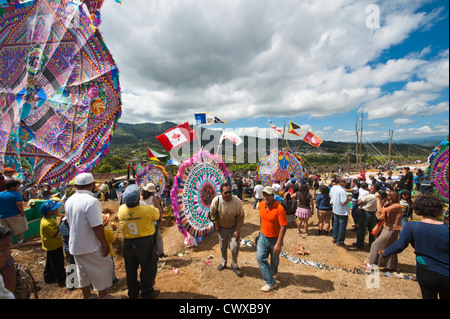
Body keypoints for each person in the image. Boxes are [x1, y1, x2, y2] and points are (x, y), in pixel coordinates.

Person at [379, 194, 449, 299]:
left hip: (426, 270)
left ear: (418, 209)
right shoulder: (445, 228)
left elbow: (400, 245)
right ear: (438, 210)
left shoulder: (412, 226)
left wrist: (385, 252)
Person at [64, 173, 114, 299]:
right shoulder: (91, 202)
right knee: (102, 270)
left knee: (82, 273)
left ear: (75, 185)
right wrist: (104, 244)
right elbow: (97, 226)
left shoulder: (69, 200)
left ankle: (87, 296)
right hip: (91, 245)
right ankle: (102, 295)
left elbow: (69, 222)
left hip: (75, 245)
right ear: (92, 185)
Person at [118, 184, 160, 299]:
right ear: (138, 198)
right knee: (147, 268)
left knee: (130, 269)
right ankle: (147, 292)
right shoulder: (148, 209)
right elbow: (157, 216)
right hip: (145, 242)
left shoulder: (121, 210)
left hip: (128, 243)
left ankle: (133, 293)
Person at [210, 183, 245, 277]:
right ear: (221, 193)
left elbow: (241, 217)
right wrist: (216, 224)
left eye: (230, 192)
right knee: (223, 246)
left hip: (234, 228)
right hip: (222, 228)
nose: (229, 194)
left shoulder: (237, 201)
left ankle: (234, 265)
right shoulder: (216, 201)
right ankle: (223, 263)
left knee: (234, 247)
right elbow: (212, 213)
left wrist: (237, 230)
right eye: (226, 192)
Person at [256, 186, 287, 292]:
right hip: (263, 236)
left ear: (273, 196)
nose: (265, 197)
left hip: (275, 239)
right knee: (260, 258)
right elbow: (261, 218)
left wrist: (278, 243)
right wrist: (261, 230)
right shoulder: (260, 205)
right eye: (264, 194)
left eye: (268, 195)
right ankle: (271, 282)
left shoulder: (279, 208)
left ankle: (273, 272)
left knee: (274, 260)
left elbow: (283, 226)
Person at [363, 190, 403, 271]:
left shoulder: (397, 206)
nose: (385, 195)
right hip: (387, 228)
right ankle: (391, 266)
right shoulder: (388, 204)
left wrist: (378, 199)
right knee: (391, 247)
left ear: (392, 196)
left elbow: (382, 211)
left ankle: (371, 264)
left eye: (387, 194)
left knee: (375, 245)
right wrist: (381, 202)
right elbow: (379, 215)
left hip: (392, 229)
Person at [39, 200, 66, 286]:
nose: (57, 210)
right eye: (55, 209)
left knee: (51, 262)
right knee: (58, 262)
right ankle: (61, 279)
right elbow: (54, 234)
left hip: (53, 244)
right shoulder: (46, 224)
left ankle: (49, 277)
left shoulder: (50, 218)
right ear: (49, 212)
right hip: (53, 245)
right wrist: (61, 222)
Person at [140, 183, 165, 258]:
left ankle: (149, 255)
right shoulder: (153, 198)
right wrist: (160, 219)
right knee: (156, 238)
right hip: (153, 221)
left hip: (144, 221)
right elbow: (159, 210)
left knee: (147, 238)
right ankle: (159, 254)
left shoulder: (141, 198)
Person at [0, 179, 28, 244]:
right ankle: (20, 241)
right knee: (20, 228)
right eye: (17, 186)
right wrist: (22, 212)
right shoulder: (16, 194)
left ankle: (9, 242)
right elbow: (19, 204)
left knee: (7, 231)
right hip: (15, 214)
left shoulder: (0, 194)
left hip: (3, 216)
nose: (18, 188)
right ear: (12, 187)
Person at [353, 184, 380, 249]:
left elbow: (359, 202)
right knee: (372, 230)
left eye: (372, 188)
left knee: (362, 229)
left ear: (376, 189)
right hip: (373, 214)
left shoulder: (369, 196)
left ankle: (360, 244)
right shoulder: (379, 197)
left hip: (365, 213)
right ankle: (371, 244)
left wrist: (356, 208)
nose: (370, 188)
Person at [330, 178, 351, 246]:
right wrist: (348, 200)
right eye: (344, 181)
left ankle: (334, 237)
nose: (345, 183)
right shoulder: (342, 191)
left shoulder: (333, 188)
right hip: (342, 211)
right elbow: (343, 202)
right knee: (342, 226)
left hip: (335, 209)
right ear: (340, 182)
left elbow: (330, 195)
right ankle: (340, 241)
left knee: (336, 224)